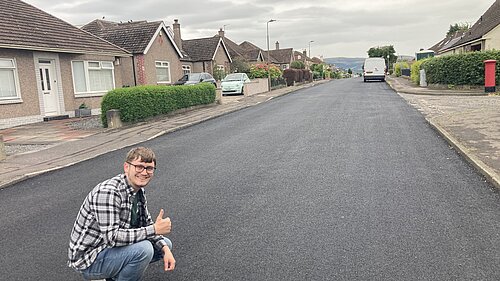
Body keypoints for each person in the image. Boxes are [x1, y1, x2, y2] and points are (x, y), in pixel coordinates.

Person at [68, 147, 175, 280]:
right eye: (139, 167)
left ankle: (113, 275)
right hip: (90, 258)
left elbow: (146, 223)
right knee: (144, 250)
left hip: (108, 249)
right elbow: (113, 237)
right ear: (126, 167)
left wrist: (164, 248)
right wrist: (154, 229)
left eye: (149, 168)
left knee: (165, 245)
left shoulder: (138, 191)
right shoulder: (109, 192)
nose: (144, 172)